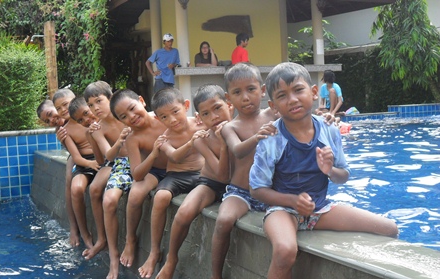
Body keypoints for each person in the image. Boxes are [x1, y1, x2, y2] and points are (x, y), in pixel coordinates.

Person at [249, 62, 399, 279]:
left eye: (298, 90)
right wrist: (293, 201)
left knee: (389, 228)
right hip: (282, 211)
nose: (292, 99)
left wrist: (329, 170)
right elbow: (256, 189)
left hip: (320, 209)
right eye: (282, 95)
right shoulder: (272, 138)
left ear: (313, 93)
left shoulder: (328, 129)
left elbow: (343, 176)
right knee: (285, 251)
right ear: (273, 106)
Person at [156, 84, 232, 279]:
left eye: (218, 108)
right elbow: (221, 175)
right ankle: (171, 259)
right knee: (183, 213)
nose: (214, 117)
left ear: (229, 104)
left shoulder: (242, 129)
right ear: (200, 117)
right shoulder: (202, 138)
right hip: (211, 182)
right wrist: (224, 145)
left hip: (237, 188)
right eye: (206, 114)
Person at [211, 63, 277, 279]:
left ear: (263, 90)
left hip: (271, 192)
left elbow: (303, 121)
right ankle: (215, 275)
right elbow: (238, 151)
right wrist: (256, 137)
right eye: (237, 92)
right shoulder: (231, 127)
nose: (246, 97)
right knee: (223, 221)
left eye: (251, 89)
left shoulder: (274, 115)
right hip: (241, 192)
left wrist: (326, 119)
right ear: (228, 99)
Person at [138, 87, 205, 279]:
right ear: (158, 119)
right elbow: (174, 157)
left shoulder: (200, 124)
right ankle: (154, 251)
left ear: (186, 106)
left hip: (200, 175)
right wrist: (192, 142)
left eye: (175, 112)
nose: (172, 120)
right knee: (160, 197)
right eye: (164, 117)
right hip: (177, 176)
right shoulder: (165, 138)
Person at [109, 89, 168, 268]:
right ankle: (130, 239)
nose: (132, 116)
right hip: (155, 170)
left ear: (142, 100)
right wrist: (152, 155)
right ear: (121, 122)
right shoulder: (133, 138)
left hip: (179, 168)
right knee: (135, 195)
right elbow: (136, 174)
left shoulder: (162, 117)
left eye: (133, 108)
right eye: (124, 116)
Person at [83, 81, 133, 279]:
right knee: (102, 194)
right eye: (90, 105)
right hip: (119, 163)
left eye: (98, 101)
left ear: (110, 99)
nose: (95, 108)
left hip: (140, 160)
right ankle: (111, 252)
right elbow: (106, 157)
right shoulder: (97, 128)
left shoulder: (126, 114)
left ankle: (127, 241)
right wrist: (94, 137)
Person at [53, 90, 101, 251]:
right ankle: (84, 232)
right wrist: (91, 163)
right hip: (84, 161)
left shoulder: (93, 114)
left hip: (101, 156)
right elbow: (75, 156)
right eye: (58, 108)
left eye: (65, 104)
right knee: (75, 187)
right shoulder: (65, 130)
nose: (63, 109)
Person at [37, 100, 78, 247]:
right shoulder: (60, 130)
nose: (51, 120)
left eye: (50, 114)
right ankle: (73, 228)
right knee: (68, 179)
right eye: (47, 121)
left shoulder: (78, 113)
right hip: (78, 155)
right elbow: (72, 152)